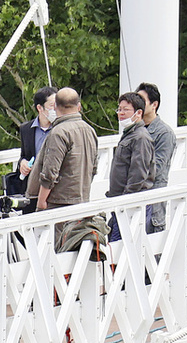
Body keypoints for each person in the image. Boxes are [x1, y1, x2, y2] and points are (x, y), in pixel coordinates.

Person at [26, 87, 99, 211]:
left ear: (55, 106)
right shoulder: (90, 130)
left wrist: (41, 201)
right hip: (82, 198)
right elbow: (94, 167)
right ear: (79, 106)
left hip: (59, 202)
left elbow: (50, 172)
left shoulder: (58, 133)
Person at [107, 92, 154, 241]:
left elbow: (138, 174)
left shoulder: (141, 137)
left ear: (138, 112)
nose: (121, 113)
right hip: (120, 202)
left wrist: (125, 200)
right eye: (119, 109)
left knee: (123, 247)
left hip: (130, 204)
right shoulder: (129, 134)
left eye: (125, 110)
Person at [136, 82, 175, 233]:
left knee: (152, 252)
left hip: (152, 203)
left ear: (154, 105)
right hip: (132, 199)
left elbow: (156, 170)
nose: (137, 105)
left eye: (142, 101)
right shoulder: (134, 130)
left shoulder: (164, 133)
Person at [13, 86, 58, 196]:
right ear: (40, 108)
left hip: (55, 188)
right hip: (32, 186)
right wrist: (22, 163)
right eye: (52, 106)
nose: (56, 109)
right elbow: (24, 155)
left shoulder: (60, 128)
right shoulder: (26, 129)